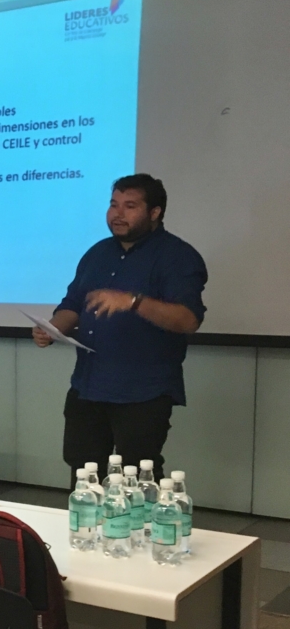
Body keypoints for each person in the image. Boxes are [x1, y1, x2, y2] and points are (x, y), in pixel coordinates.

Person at [33, 174, 207, 482]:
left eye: (130, 206)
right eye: (114, 205)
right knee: (84, 473)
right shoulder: (97, 253)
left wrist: (134, 302)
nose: (118, 214)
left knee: (137, 476)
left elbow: (188, 320)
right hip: (88, 386)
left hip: (143, 392)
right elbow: (73, 304)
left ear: (155, 212)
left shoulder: (177, 256)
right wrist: (52, 328)